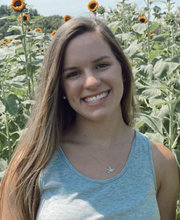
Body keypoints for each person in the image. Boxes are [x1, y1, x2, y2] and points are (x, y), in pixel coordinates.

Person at [0, 17, 179, 220]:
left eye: (102, 65)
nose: (92, 82)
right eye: (73, 74)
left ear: (122, 68)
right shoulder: (31, 163)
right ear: (61, 88)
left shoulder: (160, 162)